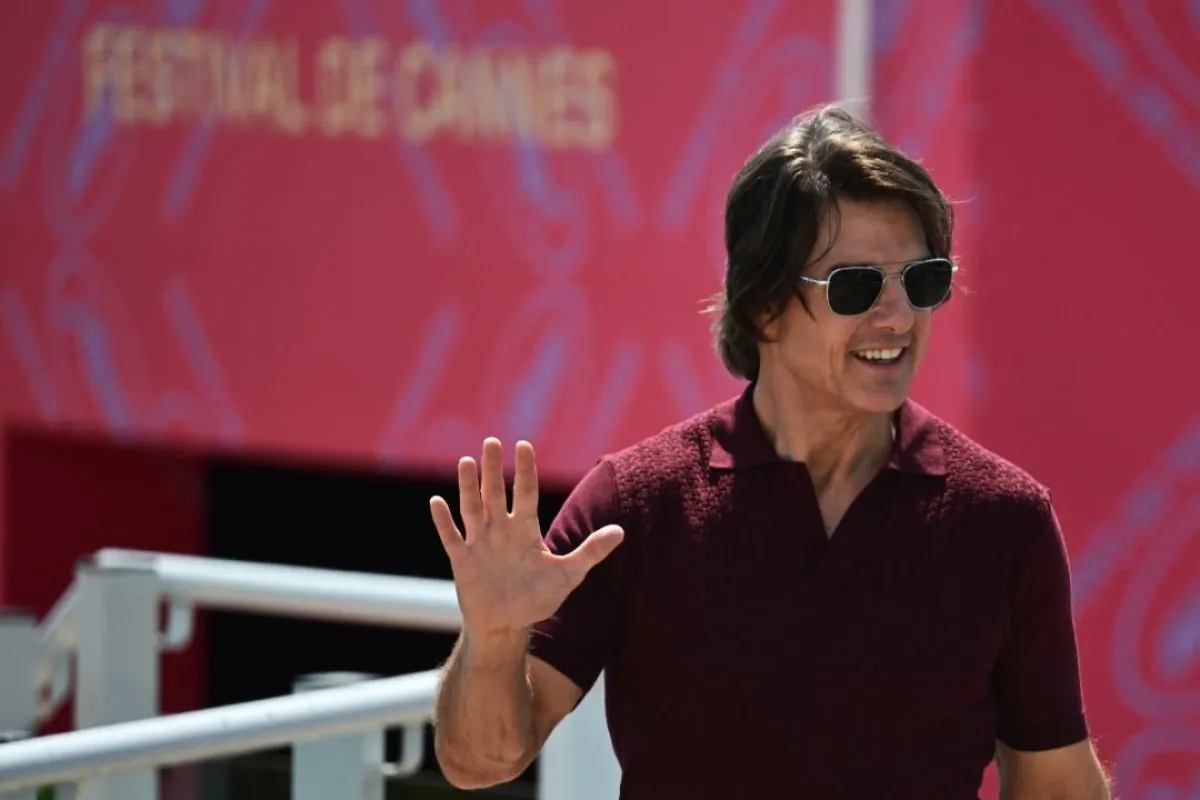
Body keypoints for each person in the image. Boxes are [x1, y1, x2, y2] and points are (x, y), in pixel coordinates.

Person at [428, 104, 1111, 798]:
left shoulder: (1004, 521)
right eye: (858, 286)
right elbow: (479, 761)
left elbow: (1056, 786)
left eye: (923, 279)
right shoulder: (631, 508)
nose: (900, 316)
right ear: (762, 307)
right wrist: (492, 640)